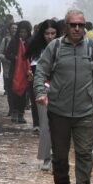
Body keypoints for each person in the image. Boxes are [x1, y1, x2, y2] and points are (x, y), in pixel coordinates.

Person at [33, 9, 93, 184]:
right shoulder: (55, 47)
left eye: (80, 25)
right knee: (59, 155)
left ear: (84, 27)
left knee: (84, 153)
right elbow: (40, 71)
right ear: (66, 26)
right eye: (73, 25)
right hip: (58, 111)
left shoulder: (91, 47)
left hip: (85, 111)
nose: (77, 28)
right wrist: (40, 92)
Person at [26, 20, 60, 170]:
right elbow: (36, 73)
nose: (50, 36)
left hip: (63, 90)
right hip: (44, 90)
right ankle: (46, 157)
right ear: (42, 34)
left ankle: (57, 156)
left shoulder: (65, 48)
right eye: (47, 33)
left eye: (53, 33)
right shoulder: (38, 50)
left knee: (61, 126)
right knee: (45, 125)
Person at [4, 21, 33, 123]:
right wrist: (15, 57)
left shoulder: (31, 42)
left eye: (24, 32)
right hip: (15, 70)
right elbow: (7, 54)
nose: (22, 34)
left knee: (24, 93)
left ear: (28, 32)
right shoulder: (14, 41)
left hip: (27, 71)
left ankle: (21, 114)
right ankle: (14, 111)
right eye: (20, 32)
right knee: (14, 91)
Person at [0, 14, 15, 113]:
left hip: (4, 55)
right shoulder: (4, 33)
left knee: (6, 73)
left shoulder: (1, 30)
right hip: (5, 54)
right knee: (6, 73)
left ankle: (7, 88)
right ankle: (8, 88)